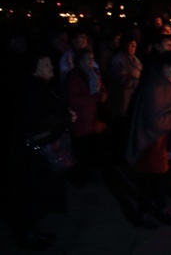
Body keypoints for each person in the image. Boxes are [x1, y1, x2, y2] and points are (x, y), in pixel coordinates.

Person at [7, 53, 74, 250]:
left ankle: (34, 231)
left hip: (40, 151)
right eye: (46, 64)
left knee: (38, 193)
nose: (51, 66)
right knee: (31, 195)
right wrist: (65, 119)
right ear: (35, 68)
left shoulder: (42, 87)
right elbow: (37, 120)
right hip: (33, 153)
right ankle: (28, 236)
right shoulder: (32, 90)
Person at [125, 51, 171, 228]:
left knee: (157, 177)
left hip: (159, 141)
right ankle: (144, 213)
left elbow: (165, 105)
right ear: (166, 68)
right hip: (150, 140)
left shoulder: (164, 83)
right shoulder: (154, 86)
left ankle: (158, 208)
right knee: (151, 178)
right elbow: (154, 119)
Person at [63, 48, 110, 184]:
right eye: (88, 58)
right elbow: (74, 100)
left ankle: (93, 173)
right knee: (83, 152)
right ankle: (82, 176)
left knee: (95, 150)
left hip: (96, 120)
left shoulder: (94, 73)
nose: (92, 61)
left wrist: (104, 94)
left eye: (92, 58)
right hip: (83, 122)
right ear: (80, 61)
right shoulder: (74, 77)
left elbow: (102, 88)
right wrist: (95, 97)